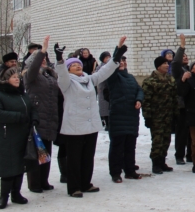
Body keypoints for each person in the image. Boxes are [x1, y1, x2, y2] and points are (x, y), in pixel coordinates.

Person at [55, 37, 124, 198]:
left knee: (87, 156)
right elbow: (62, 75)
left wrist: (117, 55)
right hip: (74, 127)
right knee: (74, 158)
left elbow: (105, 71)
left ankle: (86, 183)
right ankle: (74, 187)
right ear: (68, 69)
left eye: (78, 64)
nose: (78, 66)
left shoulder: (89, 79)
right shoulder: (66, 82)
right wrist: (60, 59)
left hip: (91, 125)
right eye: (73, 65)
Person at [0, 65, 38, 209]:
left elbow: (32, 108)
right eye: (14, 77)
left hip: (24, 136)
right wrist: (18, 117)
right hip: (7, 136)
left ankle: (16, 193)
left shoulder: (22, 94)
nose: (17, 79)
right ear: (5, 79)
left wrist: (34, 118)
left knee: (20, 165)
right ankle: (4, 196)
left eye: (18, 77)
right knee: (8, 167)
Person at [22, 36, 59, 193]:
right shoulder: (30, 76)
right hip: (36, 119)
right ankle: (34, 183)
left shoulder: (49, 75)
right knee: (36, 151)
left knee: (46, 152)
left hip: (50, 118)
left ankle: (44, 180)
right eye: (39, 59)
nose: (43, 61)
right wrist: (42, 51)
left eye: (44, 59)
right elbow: (34, 66)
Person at [102, 48, 144, 183]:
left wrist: (139, 99)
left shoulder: (131, 77)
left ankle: (130, 170)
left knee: (130, 146)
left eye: (124, 61)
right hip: (118, 116)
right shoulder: (112, 77)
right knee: (117, 147)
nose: (122, 63)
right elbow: (113, 67)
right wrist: (118, 52)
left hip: (131, 116)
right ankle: (115, 173)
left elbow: (139, 90)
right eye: (119, 62)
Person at [142, 54, 179, 175]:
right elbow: (146, 100)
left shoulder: (170, 79)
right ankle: (156, 163)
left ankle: (162, 161)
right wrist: (147, 116)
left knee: (166, 140)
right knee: (157, 140)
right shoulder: (149, 81)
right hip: (156, 116)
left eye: (167, 64)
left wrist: (175, 114)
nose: (167, 66)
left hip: (168, 115)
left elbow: (174, 97)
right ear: (158, 67)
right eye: (164, 64)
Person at [171, 35, 193, 166]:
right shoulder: (177, 70)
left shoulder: (190, 70)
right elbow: (175, 62)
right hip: (181, 106)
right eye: (183, 56)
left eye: (186, 56)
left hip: (192, 105)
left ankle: (190, 154)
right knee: (182, 132)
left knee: (192, 132)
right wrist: (182, 46)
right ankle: (179, 155)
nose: (185, 57)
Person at [95, 52, 112, 131]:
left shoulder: (111, 67)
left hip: (110, 89)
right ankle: (106, 123)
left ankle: (110, 123)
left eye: (109, 57)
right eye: (106, 57)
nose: (108, 59)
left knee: (109, 107)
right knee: (104, 108)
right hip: (103, 89)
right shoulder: (100, 67)